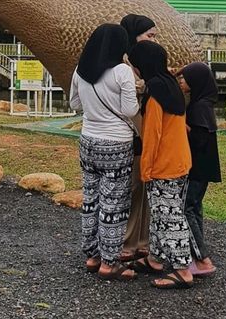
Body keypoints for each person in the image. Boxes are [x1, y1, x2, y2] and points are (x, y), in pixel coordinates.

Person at [69, 23, 139, 281]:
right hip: (116, 144)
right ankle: (110, 263)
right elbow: (130, 110)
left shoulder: (81, 70)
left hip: (88, 141)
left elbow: (74, 104)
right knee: (114, 203)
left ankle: (92, 256)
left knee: (91, 199)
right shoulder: (122, 71)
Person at [128, 40, 193, 289]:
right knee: (160, 214)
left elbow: (151, 136)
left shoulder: (155, 95)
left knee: (170, 216)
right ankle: (155, 258)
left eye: (135, 65)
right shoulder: (170, 86)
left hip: (163, 165)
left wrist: (146, 170)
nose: (134, 70)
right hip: (179, 161)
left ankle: (182, 269)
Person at [118, 14, 157, 261]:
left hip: (147, 133)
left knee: (144, 186)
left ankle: (143, 239)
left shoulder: (147, 61)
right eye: (149, 36)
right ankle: (127, 241)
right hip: (130, 132)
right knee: (131, 188)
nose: (153, 41)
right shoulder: (123, 66)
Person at [177, 62, 221, 277]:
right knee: (194, 208)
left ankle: (203, 258)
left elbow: (199, 139)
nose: (181, 81)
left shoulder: (200, 107)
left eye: (184, 78)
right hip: (202, 168)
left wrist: (179, 122)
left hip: (197, 167)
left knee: (186, 209)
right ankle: (197, 254)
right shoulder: (204, 103)